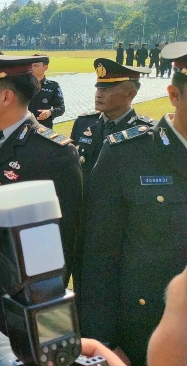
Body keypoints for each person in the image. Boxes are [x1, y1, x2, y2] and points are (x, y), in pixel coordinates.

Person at [0, 49, 82, 331]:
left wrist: (46, 308)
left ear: (6, 97)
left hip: (18, 295)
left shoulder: (54, 154)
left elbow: (63, 241)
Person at [80, 42, 187, 366]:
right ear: (174, 95)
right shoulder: (127, 155)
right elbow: (98, 258)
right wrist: (106, 342)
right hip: (141, 333)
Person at [70, 58, 153, 299]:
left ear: (130, 93)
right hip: (83, 227)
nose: (99, 93)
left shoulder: (144, 134)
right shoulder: (84, 124)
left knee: (112, 295)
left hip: (119, 232)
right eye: (98, 87)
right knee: (82, 290)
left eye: (107, 89)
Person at [27, 54, 65, 129]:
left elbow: (61, 108)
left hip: (44, 128)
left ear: (46, 68)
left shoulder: (53, 86)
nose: (32, 68)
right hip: (24, 128)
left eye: (36, 66)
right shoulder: (22, 84)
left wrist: (49, 112)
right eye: (31, 66)